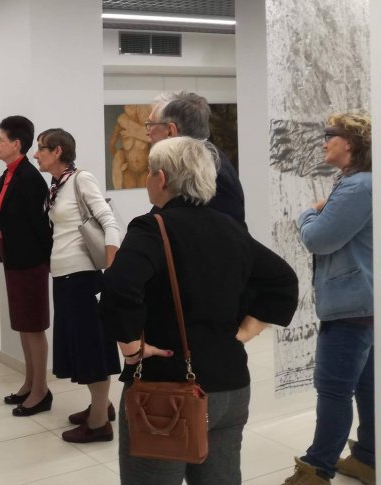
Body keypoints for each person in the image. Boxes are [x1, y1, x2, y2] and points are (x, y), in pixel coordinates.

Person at [100, 136, 298, 485]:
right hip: (230, 388)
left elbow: (117, 287)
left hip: (167, 389)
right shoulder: (230, 227)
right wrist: (245, 332)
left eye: (149, 172)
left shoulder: (152, 228)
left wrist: (131, 347)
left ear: (161, 178)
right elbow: (283, 280)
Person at [284, 113, 373, 485]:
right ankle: (369, 459)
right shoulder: (359, 183)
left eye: (330, 135)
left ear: (349, 142)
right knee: (366, 385)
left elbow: (318, 238)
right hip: (362, 303)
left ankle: (318, 468)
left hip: (351, 306)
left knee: (334, 388)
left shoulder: (357, 188)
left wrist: (307, 213)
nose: (324, 142)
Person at [34, 128, 122, 443]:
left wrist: (111, 271)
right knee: (82, 347)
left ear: (57, 151)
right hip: (66, 277)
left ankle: (99, 424)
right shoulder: (58, 184)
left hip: (83, 277)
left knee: (91, 348)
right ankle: (101, 406)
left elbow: (109, 222)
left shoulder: (82, 179)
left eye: (41, 148)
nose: (36, 154)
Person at [0, 115, 53, 416]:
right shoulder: (8, 174)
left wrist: (46, 261)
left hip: (31, 263)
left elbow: (41, 227)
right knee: (23, 326)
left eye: (0, 140)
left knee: (33, 326)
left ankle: (41, 390)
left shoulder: (29, 178)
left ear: (16, 144)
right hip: (14, 260)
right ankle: (30, 383)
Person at [146, 91, 245, 224]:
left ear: (170, 131)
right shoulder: (203, 159)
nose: (147, 132)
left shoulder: (203, 168)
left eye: (151, 124)